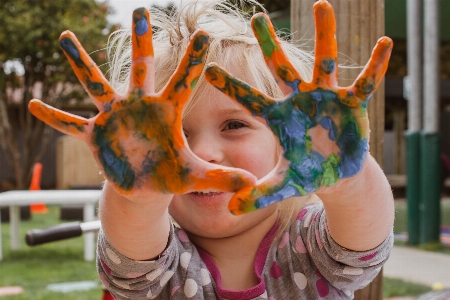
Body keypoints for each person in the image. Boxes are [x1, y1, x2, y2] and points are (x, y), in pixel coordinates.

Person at [28, 0, 395, 299]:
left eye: (234, 125)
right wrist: (138, 198)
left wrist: (349, 180)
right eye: (174, 137)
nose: (203, 152)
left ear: (288, 141)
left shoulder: (311, 243)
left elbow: (363, 243)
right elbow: (132, 245)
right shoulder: (159, 262)